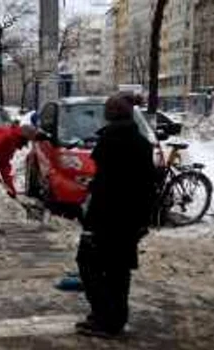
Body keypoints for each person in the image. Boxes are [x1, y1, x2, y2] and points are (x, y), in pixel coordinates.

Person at [75, 92, 157, 338]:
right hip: (131, 220)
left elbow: (104, 186)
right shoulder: (142, 142)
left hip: (108, 219)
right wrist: (144, 220)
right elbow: (148, 185)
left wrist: (89, 220)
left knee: (88, 264)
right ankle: (115, 318)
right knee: (118, 271)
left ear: (111, 114)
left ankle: (105, 318)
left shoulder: (110, 140)